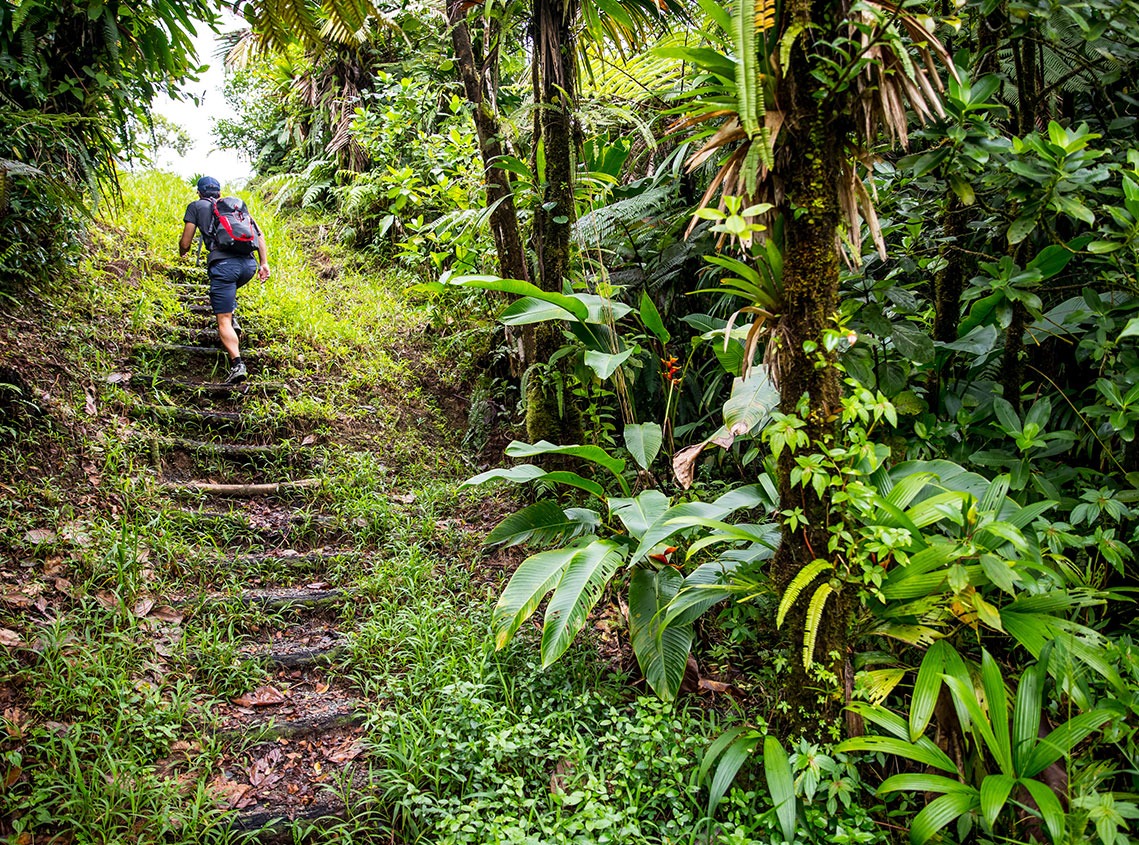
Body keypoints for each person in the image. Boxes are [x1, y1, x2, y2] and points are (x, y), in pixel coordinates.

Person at [178, 176, 270, 384]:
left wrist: (183, 251)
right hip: (248, 265)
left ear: (199, 192)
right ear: (219, 193)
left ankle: (237, 364)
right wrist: (264, 263)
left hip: (224, 266)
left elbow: (186, 242)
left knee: (223, 320)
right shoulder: (234, 207)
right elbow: (259, 234)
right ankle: (232, 314)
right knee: (229, 294)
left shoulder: (196, 206)